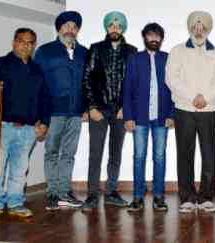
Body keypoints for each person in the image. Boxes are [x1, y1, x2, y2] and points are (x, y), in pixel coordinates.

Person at [0, 28, 50, 221]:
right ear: (14, 42)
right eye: (22, 41)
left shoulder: (38, 69)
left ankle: (16, 203)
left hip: (28, 130)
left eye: (31, 42)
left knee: (19, 170)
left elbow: (46, 98)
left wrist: (45, 122)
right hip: (2, 127)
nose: (26, 45)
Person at [166, 11, 215, 214]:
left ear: (207, 29)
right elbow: (171, 79)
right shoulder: (177, 51)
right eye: (195, 27)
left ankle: (206, 197)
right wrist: (193, 96)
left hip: (208, 109)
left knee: (208, 153)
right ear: (190, 29)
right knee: (185, 153)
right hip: (184, 108)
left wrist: (206, 98)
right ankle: (187, 197)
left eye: (202, 27)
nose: (199, 30)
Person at [80, 10, 138, 211]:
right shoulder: (95, 49)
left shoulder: (132, 51)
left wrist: (126, 107)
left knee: (116, 153)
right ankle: (92, 195)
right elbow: (86, 79)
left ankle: (112, 192)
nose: (115, 28)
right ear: (106, 27)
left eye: (119, 25)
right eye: (112, 25)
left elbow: (134, 83)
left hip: (120, 112)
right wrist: (92, 107)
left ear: (123, 28)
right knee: (95, 153)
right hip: (99, 110)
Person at [35, 10, 88, 210]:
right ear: (59, 28)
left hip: (75, 112)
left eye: (74, 27)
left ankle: (65, 192)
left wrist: (85, 107)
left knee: (69, 153)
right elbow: (38, 84)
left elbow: (87, 82)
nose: (70, 30)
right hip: (53, 112)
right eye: (66, 26)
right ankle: (52, 193)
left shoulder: (84, 53)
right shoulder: (45, 51)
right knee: (51, 152)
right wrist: (40, 115)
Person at [122, 23, 175, 212]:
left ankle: (159, 197)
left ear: (161, 39)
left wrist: (172, 114)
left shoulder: (168, 59)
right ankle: (137, 197)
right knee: (139, 156)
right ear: (144, 38)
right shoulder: (134, 59)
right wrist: (128, 116)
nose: (154, 39)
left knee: (159, 157)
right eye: (150, 36)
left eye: (157, 36)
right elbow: (127, 89)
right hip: (139, 117)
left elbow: (174, 89)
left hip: (162, 117)